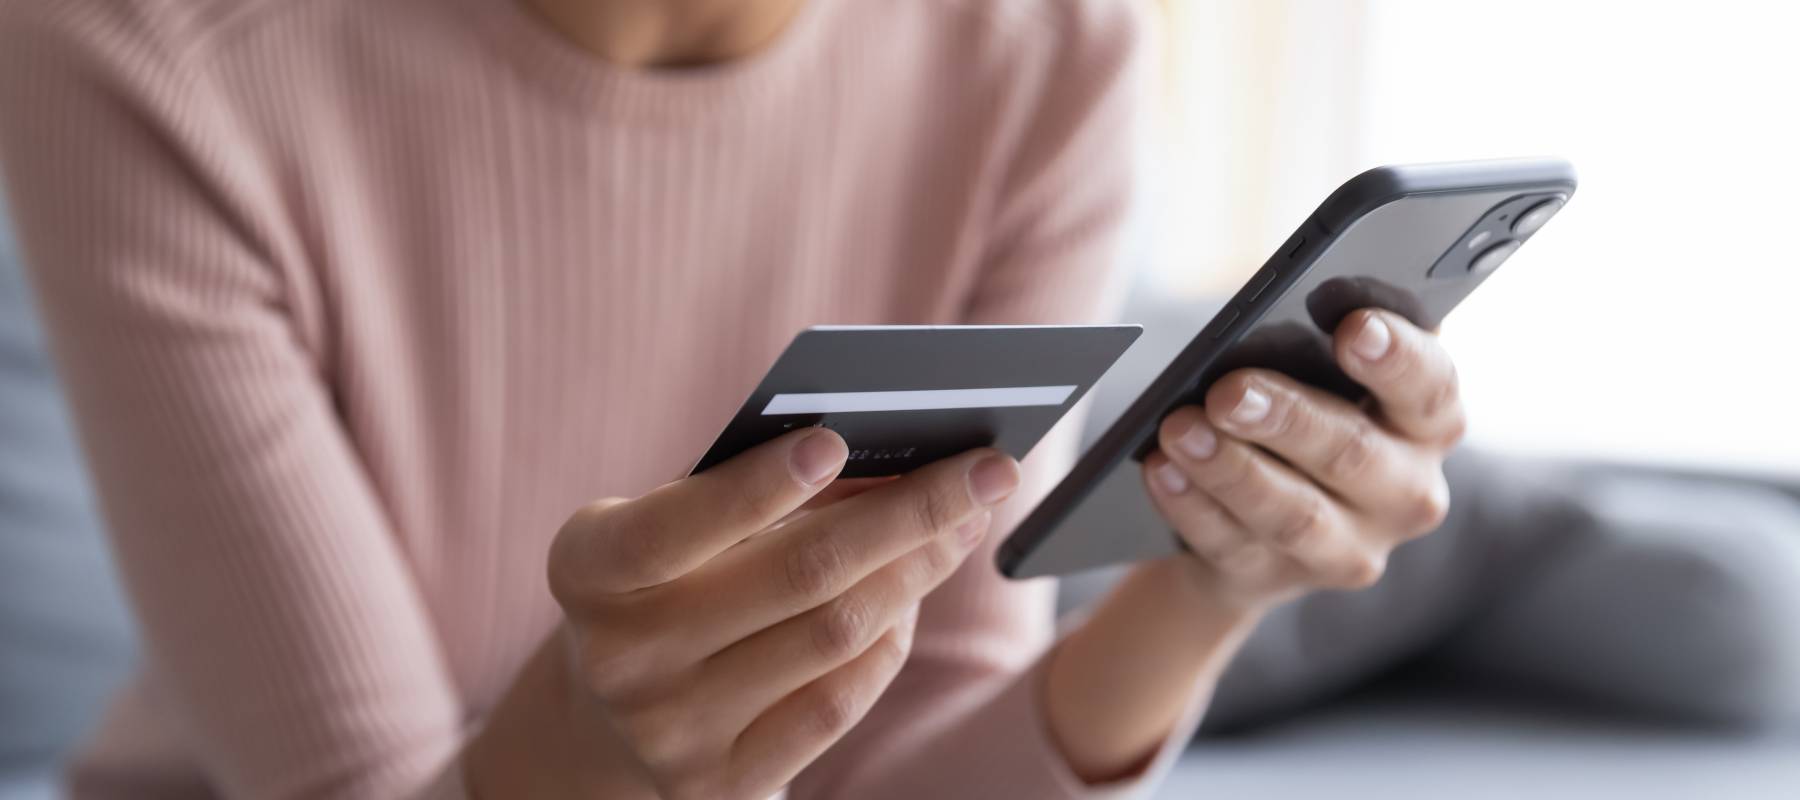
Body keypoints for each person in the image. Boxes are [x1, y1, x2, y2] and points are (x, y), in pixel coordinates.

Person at [0, 1, 1468, 797]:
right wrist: (579, 756)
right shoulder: (137, 55)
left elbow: (911, 738)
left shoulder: (1043, 52)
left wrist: (1202, 593)